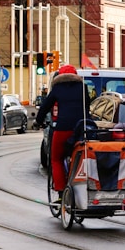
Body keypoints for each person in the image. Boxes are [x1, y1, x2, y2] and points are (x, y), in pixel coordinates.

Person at [34, 63, 87, 196]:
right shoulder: (83, 87)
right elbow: (87, 105)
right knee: (83, 156)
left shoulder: (58, 88)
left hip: (63, 129)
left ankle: (61, 191)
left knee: (56, 159)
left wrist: (38, 121)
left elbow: (45, 106)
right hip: (81, 129)